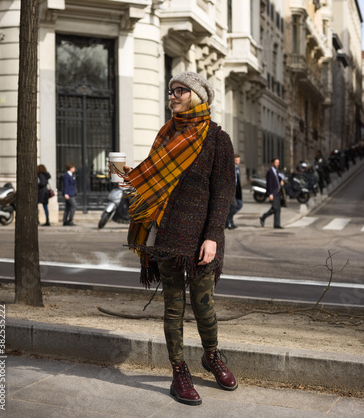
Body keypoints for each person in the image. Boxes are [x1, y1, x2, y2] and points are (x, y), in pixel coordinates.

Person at [122, 72, 237, 406]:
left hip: (202, 237)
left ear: (197, 96)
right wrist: (130, 182)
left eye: (180, 90)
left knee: (204, 306)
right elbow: (153, 179)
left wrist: (213, 236)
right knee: (173, 307)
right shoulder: (166, 134)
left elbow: (223, 192)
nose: (172, 95)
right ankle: (178, 371)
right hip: (166, 234)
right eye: (171, 90)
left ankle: (212, 356)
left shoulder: (217, 139)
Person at [260, 158, 284, 229]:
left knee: (278, 209)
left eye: (278, 163)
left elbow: (277, 179)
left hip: (278, 192)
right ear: (272, 163)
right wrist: (270, 194)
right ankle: (263, 217)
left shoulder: (276, 171)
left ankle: (277, 224)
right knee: (275, 208)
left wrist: (281, 181)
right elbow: (269, 184)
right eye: (276, 162)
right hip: (273, 193)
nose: (277, 164)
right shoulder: (270, 172)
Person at [225, 154, 242, 229]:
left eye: (238, 160)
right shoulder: (231, 168)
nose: (237, 161)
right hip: (231, 190)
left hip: (237, 190)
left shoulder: (238, 168)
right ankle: (228, 221)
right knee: (234, 206)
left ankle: (230, 221)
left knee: (239, 205)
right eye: (236, 160)